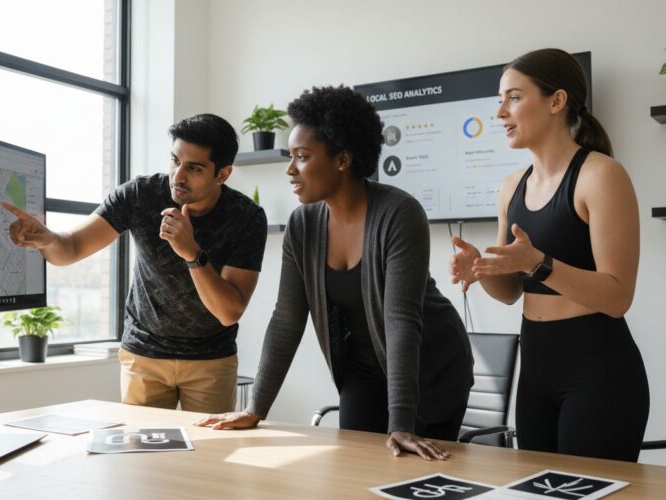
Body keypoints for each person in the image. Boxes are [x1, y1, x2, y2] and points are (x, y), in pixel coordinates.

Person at [196, 86, 473, 461]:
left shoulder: (399, 213)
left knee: (412, 472)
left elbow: (401, 320)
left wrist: (402, 423)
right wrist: (255, 409)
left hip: (429, 365)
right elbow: (287, 318)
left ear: (342, 159)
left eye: (303, 157)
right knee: (355, 466)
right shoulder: (303, 224)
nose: (291, 170)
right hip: (363, 367)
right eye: (291, 157)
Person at [449, 49, 649, 462]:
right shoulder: (511, 186)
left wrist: (537, 263)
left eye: (514, 98)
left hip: (598, 369)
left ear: (556, 101)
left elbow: (617, 296)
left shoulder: (601, 175)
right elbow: (509, 293)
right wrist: (482, 269)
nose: (501, 112)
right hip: (536, 364)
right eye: (499, 100)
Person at [4, 113, 268, 414]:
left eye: (194, 168)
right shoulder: (140, 195)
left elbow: (228, 312)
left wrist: (191, 252)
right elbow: (73, 247)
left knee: (211, 457)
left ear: (222, 174)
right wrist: (47, 238)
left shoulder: (246, 217)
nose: (178, 176)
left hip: (211, 360)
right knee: (141, 458)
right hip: (143, 356)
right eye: (175, 161)